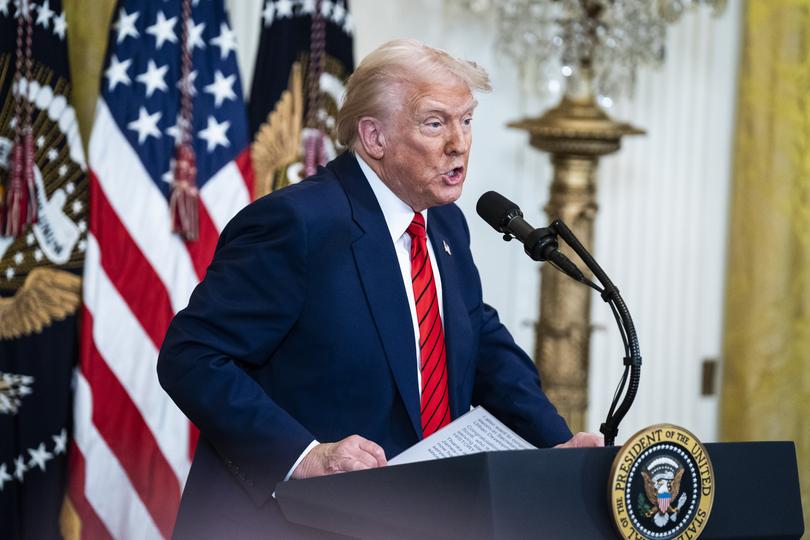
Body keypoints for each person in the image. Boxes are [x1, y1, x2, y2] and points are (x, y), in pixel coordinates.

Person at [157, 38, 602, 539]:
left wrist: (554, 449)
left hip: (407, 518)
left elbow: (480, 343)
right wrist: (306, 456)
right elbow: (191, 355)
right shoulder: (298, 224)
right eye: (435, 123)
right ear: (374, 137)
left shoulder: (445, 224)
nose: (459, 143)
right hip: (289, 523)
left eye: (467, 120)